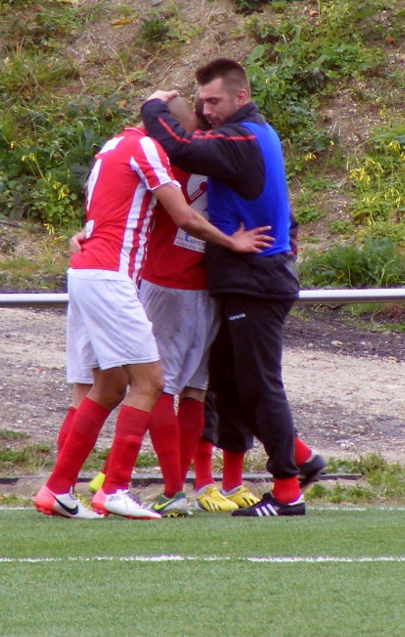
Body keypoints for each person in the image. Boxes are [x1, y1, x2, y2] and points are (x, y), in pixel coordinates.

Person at [34, 118, 272, 520]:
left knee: (108, 385)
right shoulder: (151, 148)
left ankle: (59, 488)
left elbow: (112, 206)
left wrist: (87, 233)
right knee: (154, 383)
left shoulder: (114, 145)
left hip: (95, 273)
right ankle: (118, 488)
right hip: (126, 278)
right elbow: (184, 217)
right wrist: (233, 242)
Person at [141, 58, 325, 517]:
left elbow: (181, 146)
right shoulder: (252, 132)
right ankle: (300, 457)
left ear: (241, 96)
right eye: (202, 103)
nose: (207, 111)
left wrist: (152, 108)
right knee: (228, 386)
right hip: (248, 279)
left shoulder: (241, 138)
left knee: (260, 387)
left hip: (256, 282)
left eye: (215, 101)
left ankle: (288, 492)